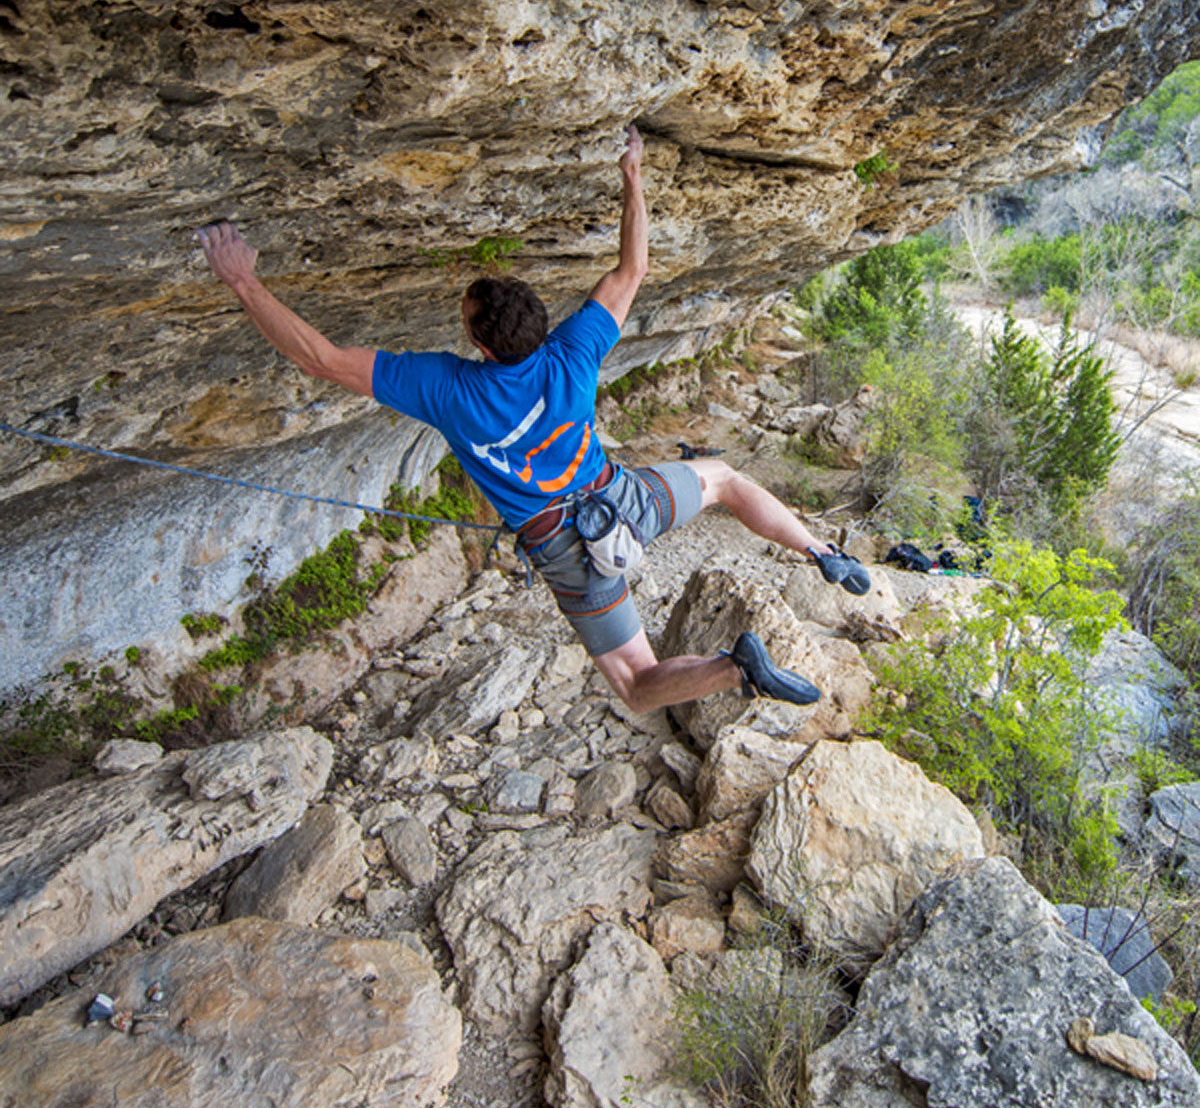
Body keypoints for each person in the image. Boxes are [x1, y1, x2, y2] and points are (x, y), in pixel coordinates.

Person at [198, 126, 867, 714]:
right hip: (620, 499)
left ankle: (732, 670)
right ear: (539, 325)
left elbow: (321, 359)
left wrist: (242, 282)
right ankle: (820, 552)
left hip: (564, 551)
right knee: (722, 478)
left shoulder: (448, 389)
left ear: (480, 346)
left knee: (636, 686)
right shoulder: (572, 353)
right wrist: (632, 172)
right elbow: (633, 266)